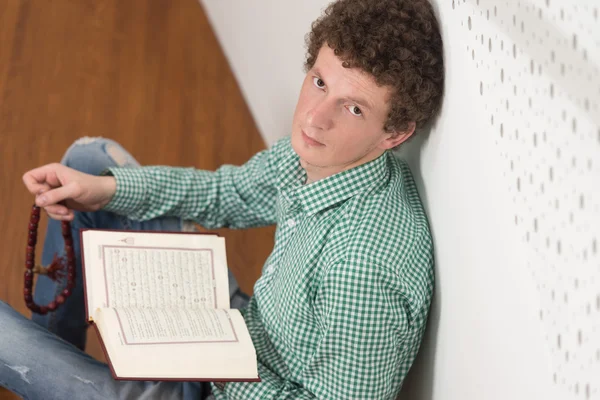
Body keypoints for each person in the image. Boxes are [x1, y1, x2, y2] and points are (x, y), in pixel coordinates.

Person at [0, 0, 444, 398]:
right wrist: (106, 190)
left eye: (354, 108)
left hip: (227, 382)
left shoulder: (362, 271)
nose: (313, 116)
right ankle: (55, 348)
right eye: (320, 82)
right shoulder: (328, 156)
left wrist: (212, 359)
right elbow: (228, 192)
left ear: (396, 133)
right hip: (243, 339)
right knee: (92, 163)